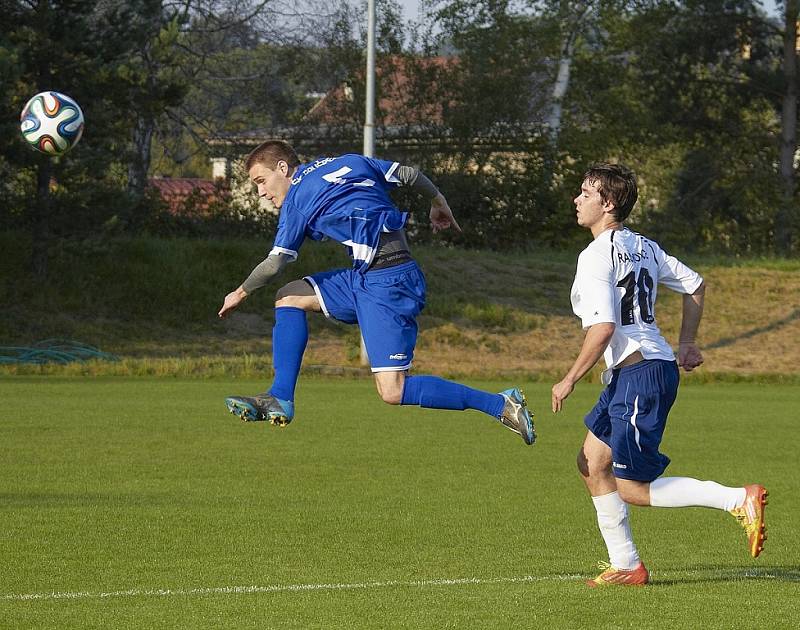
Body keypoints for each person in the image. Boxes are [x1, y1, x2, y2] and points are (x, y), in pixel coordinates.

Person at [218, 140, 534, 445]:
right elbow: (409, 174)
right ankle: (280, 397)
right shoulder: (350, 161)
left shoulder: (298, 197)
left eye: (261, 181)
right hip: (366, 276)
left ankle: (500, 405)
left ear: (283, 168)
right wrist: (438, 202)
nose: (260, 192)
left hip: (388, 282)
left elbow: (274, 264)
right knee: (289, 296)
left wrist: (239, 293)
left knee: (392, 392)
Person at [551, 163, 767, 587]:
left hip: (640, 377)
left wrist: (570, 377)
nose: (577, 200)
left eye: (585, 193)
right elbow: (695, 285)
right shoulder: (644, 246)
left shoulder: (595, 256)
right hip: (639, 372)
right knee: (592, 462)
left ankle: (737, 499)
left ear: (607, 204)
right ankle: (627, 565)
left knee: (632, 487)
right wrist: (686, 342)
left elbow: (603, 327)